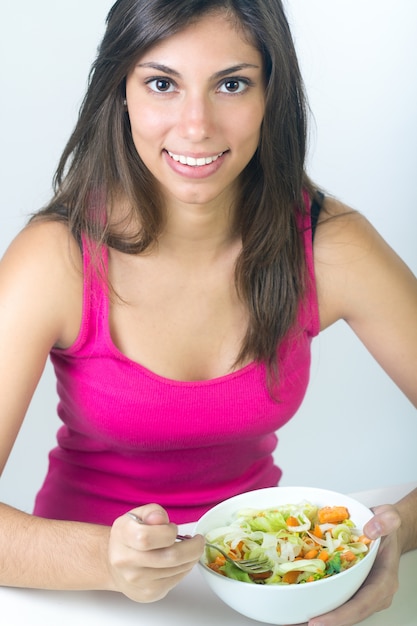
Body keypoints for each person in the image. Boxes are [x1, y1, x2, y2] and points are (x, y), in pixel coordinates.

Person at [0, 0, 416, 624]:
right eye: (162, 83)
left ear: (272, 95)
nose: (196, 126)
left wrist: (390, 540)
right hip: (75, 597)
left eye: (231, 83)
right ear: (121, 93)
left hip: (260, 594)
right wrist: (108, 561)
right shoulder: (54, 257)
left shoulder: (329, 245)